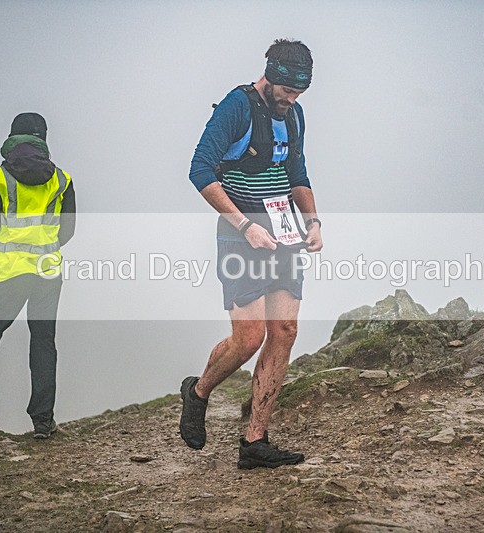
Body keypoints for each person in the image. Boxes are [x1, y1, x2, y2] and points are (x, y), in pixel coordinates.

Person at [181, 39, 323, 469]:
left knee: (284, 328)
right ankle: (199, 390)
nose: (293, 100)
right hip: (239, 233)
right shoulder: (235, 107)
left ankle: (255, 441)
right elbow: (200, 171)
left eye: (300, 93)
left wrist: (313, 221)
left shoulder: (294, 114)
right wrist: (245, 225)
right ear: (272, 76)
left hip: (283, 230)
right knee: (250, 338)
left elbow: (296, 171)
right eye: (288, 91)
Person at [0, 112, 76, 439]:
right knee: (43, 342)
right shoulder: (62, 180)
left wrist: (8, 251)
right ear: (43, 139)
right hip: (47, 272)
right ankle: (43, 422)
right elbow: (68, 230)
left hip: (6, 275)